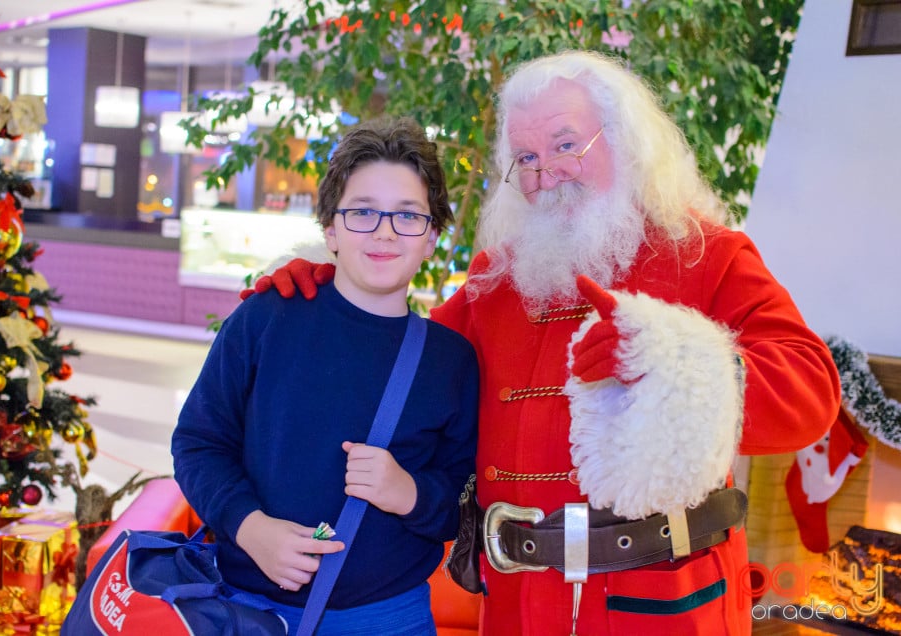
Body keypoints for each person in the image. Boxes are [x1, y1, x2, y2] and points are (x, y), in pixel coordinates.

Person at [252, 51, 841, 635]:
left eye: (565, 145)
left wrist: (668, 361)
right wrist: (333, 288)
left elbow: (811, 393)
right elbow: (401, 359)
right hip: (517, 605)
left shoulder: (706, 254)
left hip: (663, 602)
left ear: (627, 143)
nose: (545, 173)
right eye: (526, 158)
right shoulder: (496, 279)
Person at [171, 117, 479, 635]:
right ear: (331, 229)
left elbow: (463, 502)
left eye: (408, 215)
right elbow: (198, 443)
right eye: (363, 212)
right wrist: (250, 527)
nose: (384, 231)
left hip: (388, 619)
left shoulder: (450, 361)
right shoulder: (267, 319)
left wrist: (408, 492)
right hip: (247, 609)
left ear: (431, 237)